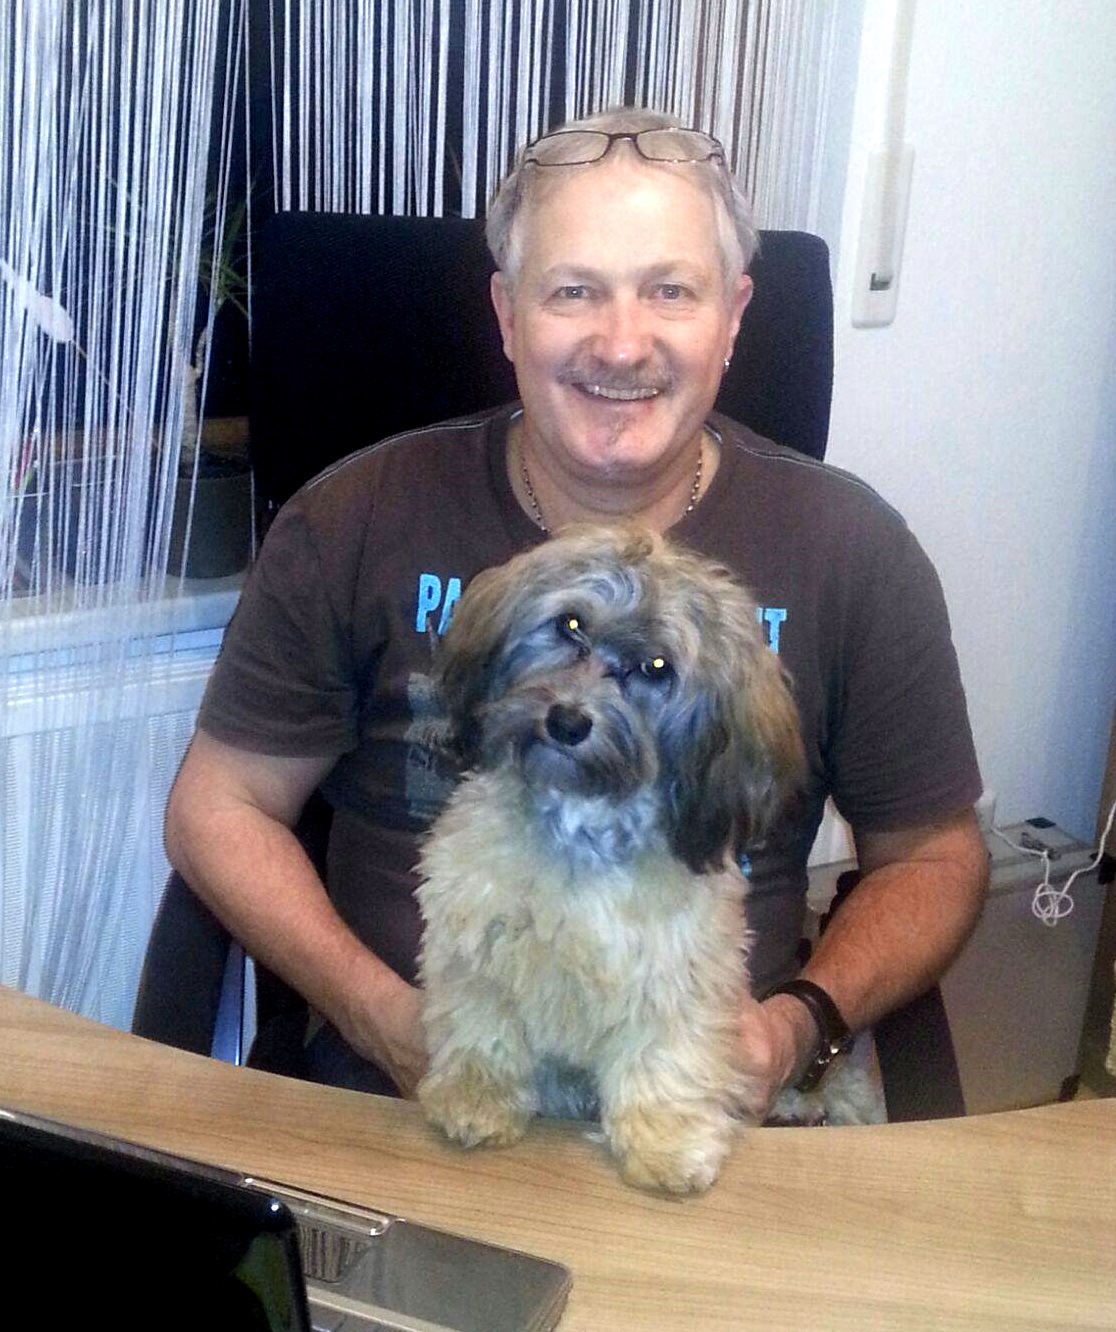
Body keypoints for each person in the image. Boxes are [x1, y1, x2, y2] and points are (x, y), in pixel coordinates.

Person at [164, 108, 989, 1116]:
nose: (621, 343)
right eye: (574, 291)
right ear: (509, 315)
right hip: (405, 1093)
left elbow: (935, 858)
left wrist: (796, 1027)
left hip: (697, 1101)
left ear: (732, 316)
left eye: (669, 291)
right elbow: (218, 808)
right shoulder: (354, 519)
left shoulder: (852, 551)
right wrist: (382, 1017)